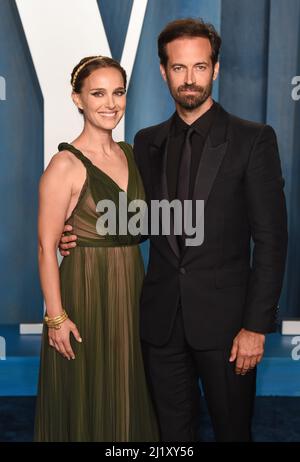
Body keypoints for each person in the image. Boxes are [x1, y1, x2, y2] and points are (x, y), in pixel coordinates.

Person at [60, 19, 288, 442]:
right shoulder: (147, 142)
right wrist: (82, 231)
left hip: (228, 328)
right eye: (179, 68)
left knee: (233, 432)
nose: (190, 79)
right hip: (160, 322)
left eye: (200, 67)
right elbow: (145, 220)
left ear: (215, 69)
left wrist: (256, 327)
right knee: (170, 438)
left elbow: (272, 240)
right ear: (163, 72)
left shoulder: (252, 140)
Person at [35, 55, 158, 442]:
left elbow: (140, 225)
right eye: (98, 93)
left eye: (118, 93)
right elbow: (45, 247)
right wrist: (56, 318)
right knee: (88, 396)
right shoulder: (64, 165)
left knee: (127, 391)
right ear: (77, 99)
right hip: (86, 293)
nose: (111, 103)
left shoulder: (131, 154)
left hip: (132, 292)